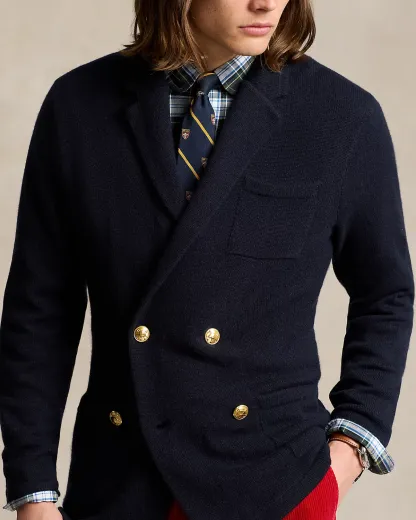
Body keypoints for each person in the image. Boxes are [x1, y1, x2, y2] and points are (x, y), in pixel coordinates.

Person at [0, 0, 414, 519]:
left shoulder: (342, 115)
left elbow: (386, 292)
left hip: (275, 487)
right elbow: (39, 308)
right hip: (119, 484)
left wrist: (351, 447)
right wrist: (34, 489)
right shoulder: (80, 104)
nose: (266, 3)